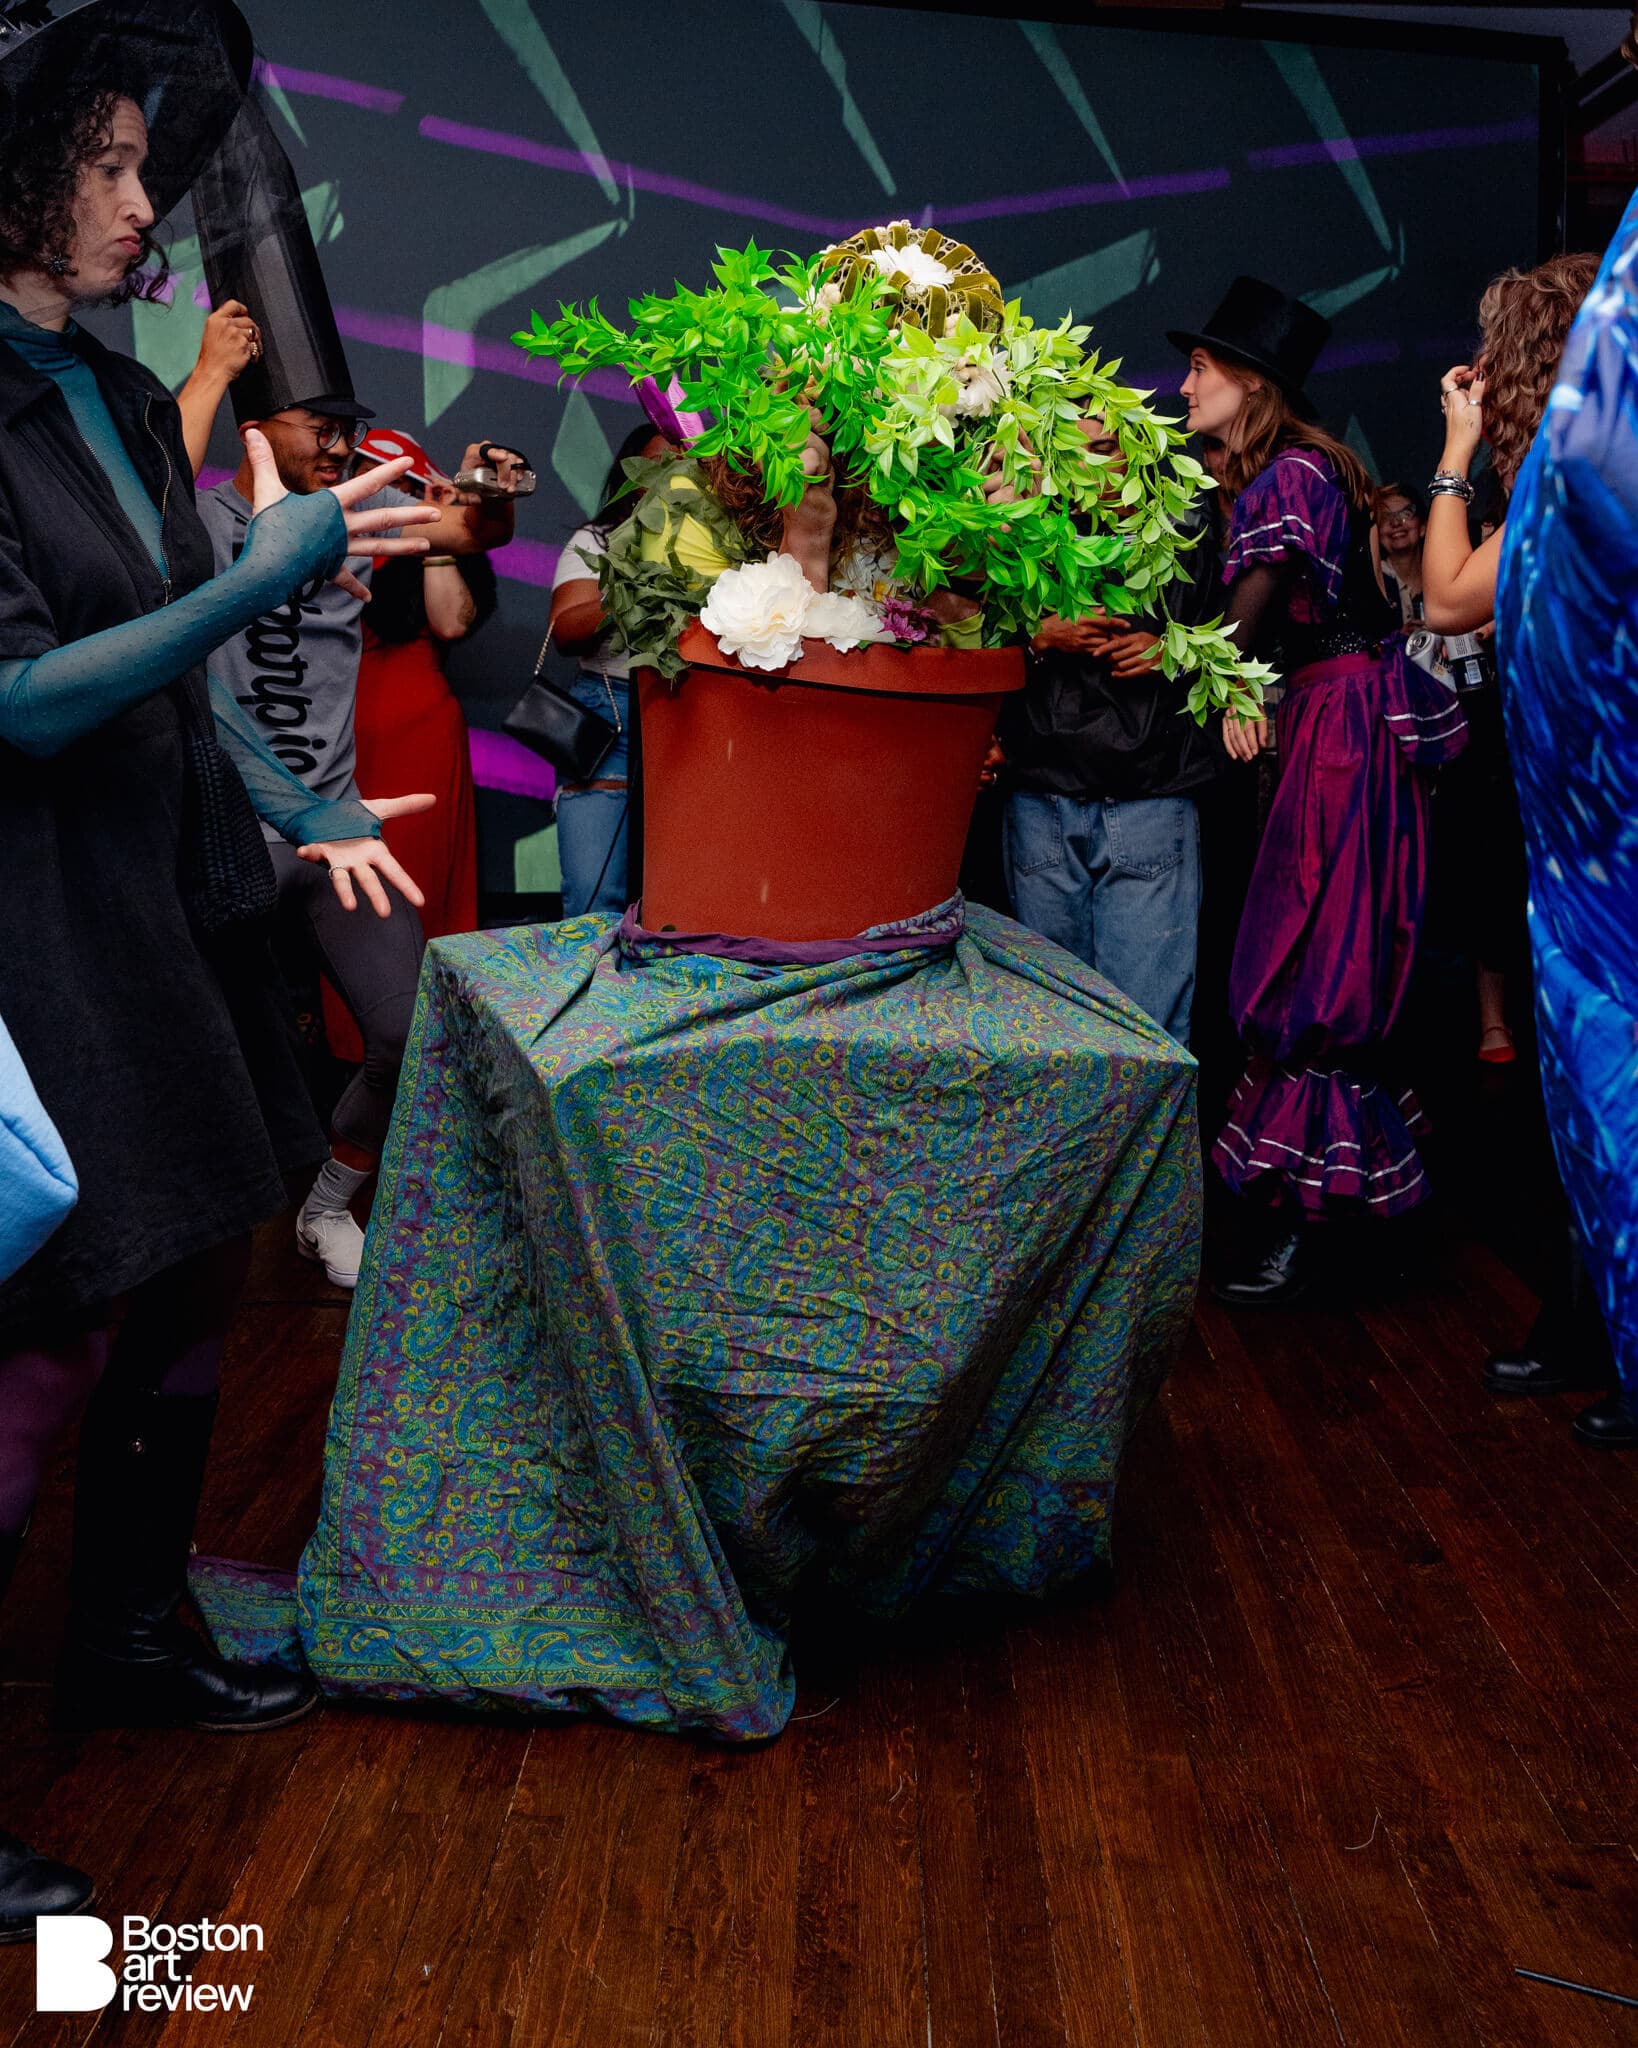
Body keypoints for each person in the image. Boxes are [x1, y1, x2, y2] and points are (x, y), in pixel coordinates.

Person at [0, 6, 438, 1939]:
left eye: (137, 161)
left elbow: (180, 659)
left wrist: (300, 795)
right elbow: (20, 701)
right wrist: (270, 572)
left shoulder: (108, 389)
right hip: (44, 924)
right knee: (51, 1329)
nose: (139, 198)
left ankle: (129, 1637)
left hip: (168, 904)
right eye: (100, 165)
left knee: (193, 1275)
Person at [1170, 277, 1468, 1306]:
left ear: (1252, 383)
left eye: (1200, 367)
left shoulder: (1292, 475)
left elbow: (1240, 632)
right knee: (1321, 955)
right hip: (1336, 719)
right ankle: (1347, 1220)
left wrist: (1183, 662)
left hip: (1342, 730)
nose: (1184, 385)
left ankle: (1315, 1227)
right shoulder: (1298, 470)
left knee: (1314, 960)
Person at [198, 394, 524, 1288]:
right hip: (231, 831)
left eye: (349, 433)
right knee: (197, 1045)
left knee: (405, 1031)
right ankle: (183, 1244)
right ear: (259, 432)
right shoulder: (200, 522)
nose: (341, 448)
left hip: (339, 829)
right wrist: (213, 368)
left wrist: (492, 491)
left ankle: (330, 1205)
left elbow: (473, 532)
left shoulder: (351, 521)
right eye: (322, 429)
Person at [1417, 249, 1627, 1436]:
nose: (1477, 371)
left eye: (1492, 354)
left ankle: (1607, 1336)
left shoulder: (1567, 467)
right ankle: (1587, 1324)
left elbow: (1447, 596)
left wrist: (1455, 453)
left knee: (1603, 1083)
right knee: (1583, 1090)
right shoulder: (1578, 466)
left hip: (1602, 822)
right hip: (1572, 809)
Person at [999, 414, 1220, 1042]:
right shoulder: (1024, 529)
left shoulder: (1186, 530)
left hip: (1150, 795)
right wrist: (1039, 636)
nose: (1094, 465)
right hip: (1043, 796)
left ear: (1139, 455)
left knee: (1146, 1031)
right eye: (1079, 451)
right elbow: (962, 636)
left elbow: (1242, 645)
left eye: (1106, 448)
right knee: (1050, 1031)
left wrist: (1171, 649)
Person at [319, 428, 493, 1063]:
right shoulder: (322, 532)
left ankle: (436, 1053)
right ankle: (356, 1051)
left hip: (419, 732)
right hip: (337, 731)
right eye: (367, 472)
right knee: (347, 890)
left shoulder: (444, 541)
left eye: (400, 478)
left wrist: (435, 531)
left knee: (420, 885)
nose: (380, 487)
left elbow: (450, 622)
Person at [547, 424, 676, 916]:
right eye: (655, 466)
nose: (669, 478)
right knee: (594, 894)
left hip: (684, 714)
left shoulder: (716, 545)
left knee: (677, 900)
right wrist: (634, 581)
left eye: (684, 466)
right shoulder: (598, 540)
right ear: (629, 476)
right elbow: (566, 630)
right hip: (612, 715)